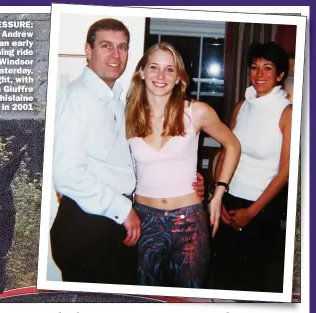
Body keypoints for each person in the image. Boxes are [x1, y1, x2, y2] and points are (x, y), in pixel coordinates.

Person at [50, 19, 204, 285]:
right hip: (90, 224)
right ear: (88, 51)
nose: (115, 55)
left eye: (122, 47)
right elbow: (66, 173)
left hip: (108, 222)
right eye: (106, 46)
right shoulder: (78, 97)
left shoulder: (116, 100)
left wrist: (184, 179)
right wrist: (123, 208)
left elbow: (123, 160)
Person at [125, 42, 241, 288]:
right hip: (143, 221)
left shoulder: (196, 112)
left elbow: (232, 145)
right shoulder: (126, 115)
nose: (161, 75)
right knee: (145, 298)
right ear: (142, 72)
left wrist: (217, 194)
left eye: (169, 69)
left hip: (189, 222)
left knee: (190, 297)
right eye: (154, 67)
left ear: (178, 77)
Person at [211, 42, 291, 292]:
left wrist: (252, 212)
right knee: (220, 276)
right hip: (229, 200)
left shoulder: (287, 113)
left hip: (261, 210)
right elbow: (226, 152)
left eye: (268, 68)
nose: (259, 74)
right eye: (255, 67)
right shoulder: (242, 106)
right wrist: (218, 196)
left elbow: (285, 171)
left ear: (279, 76)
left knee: (250, 282)